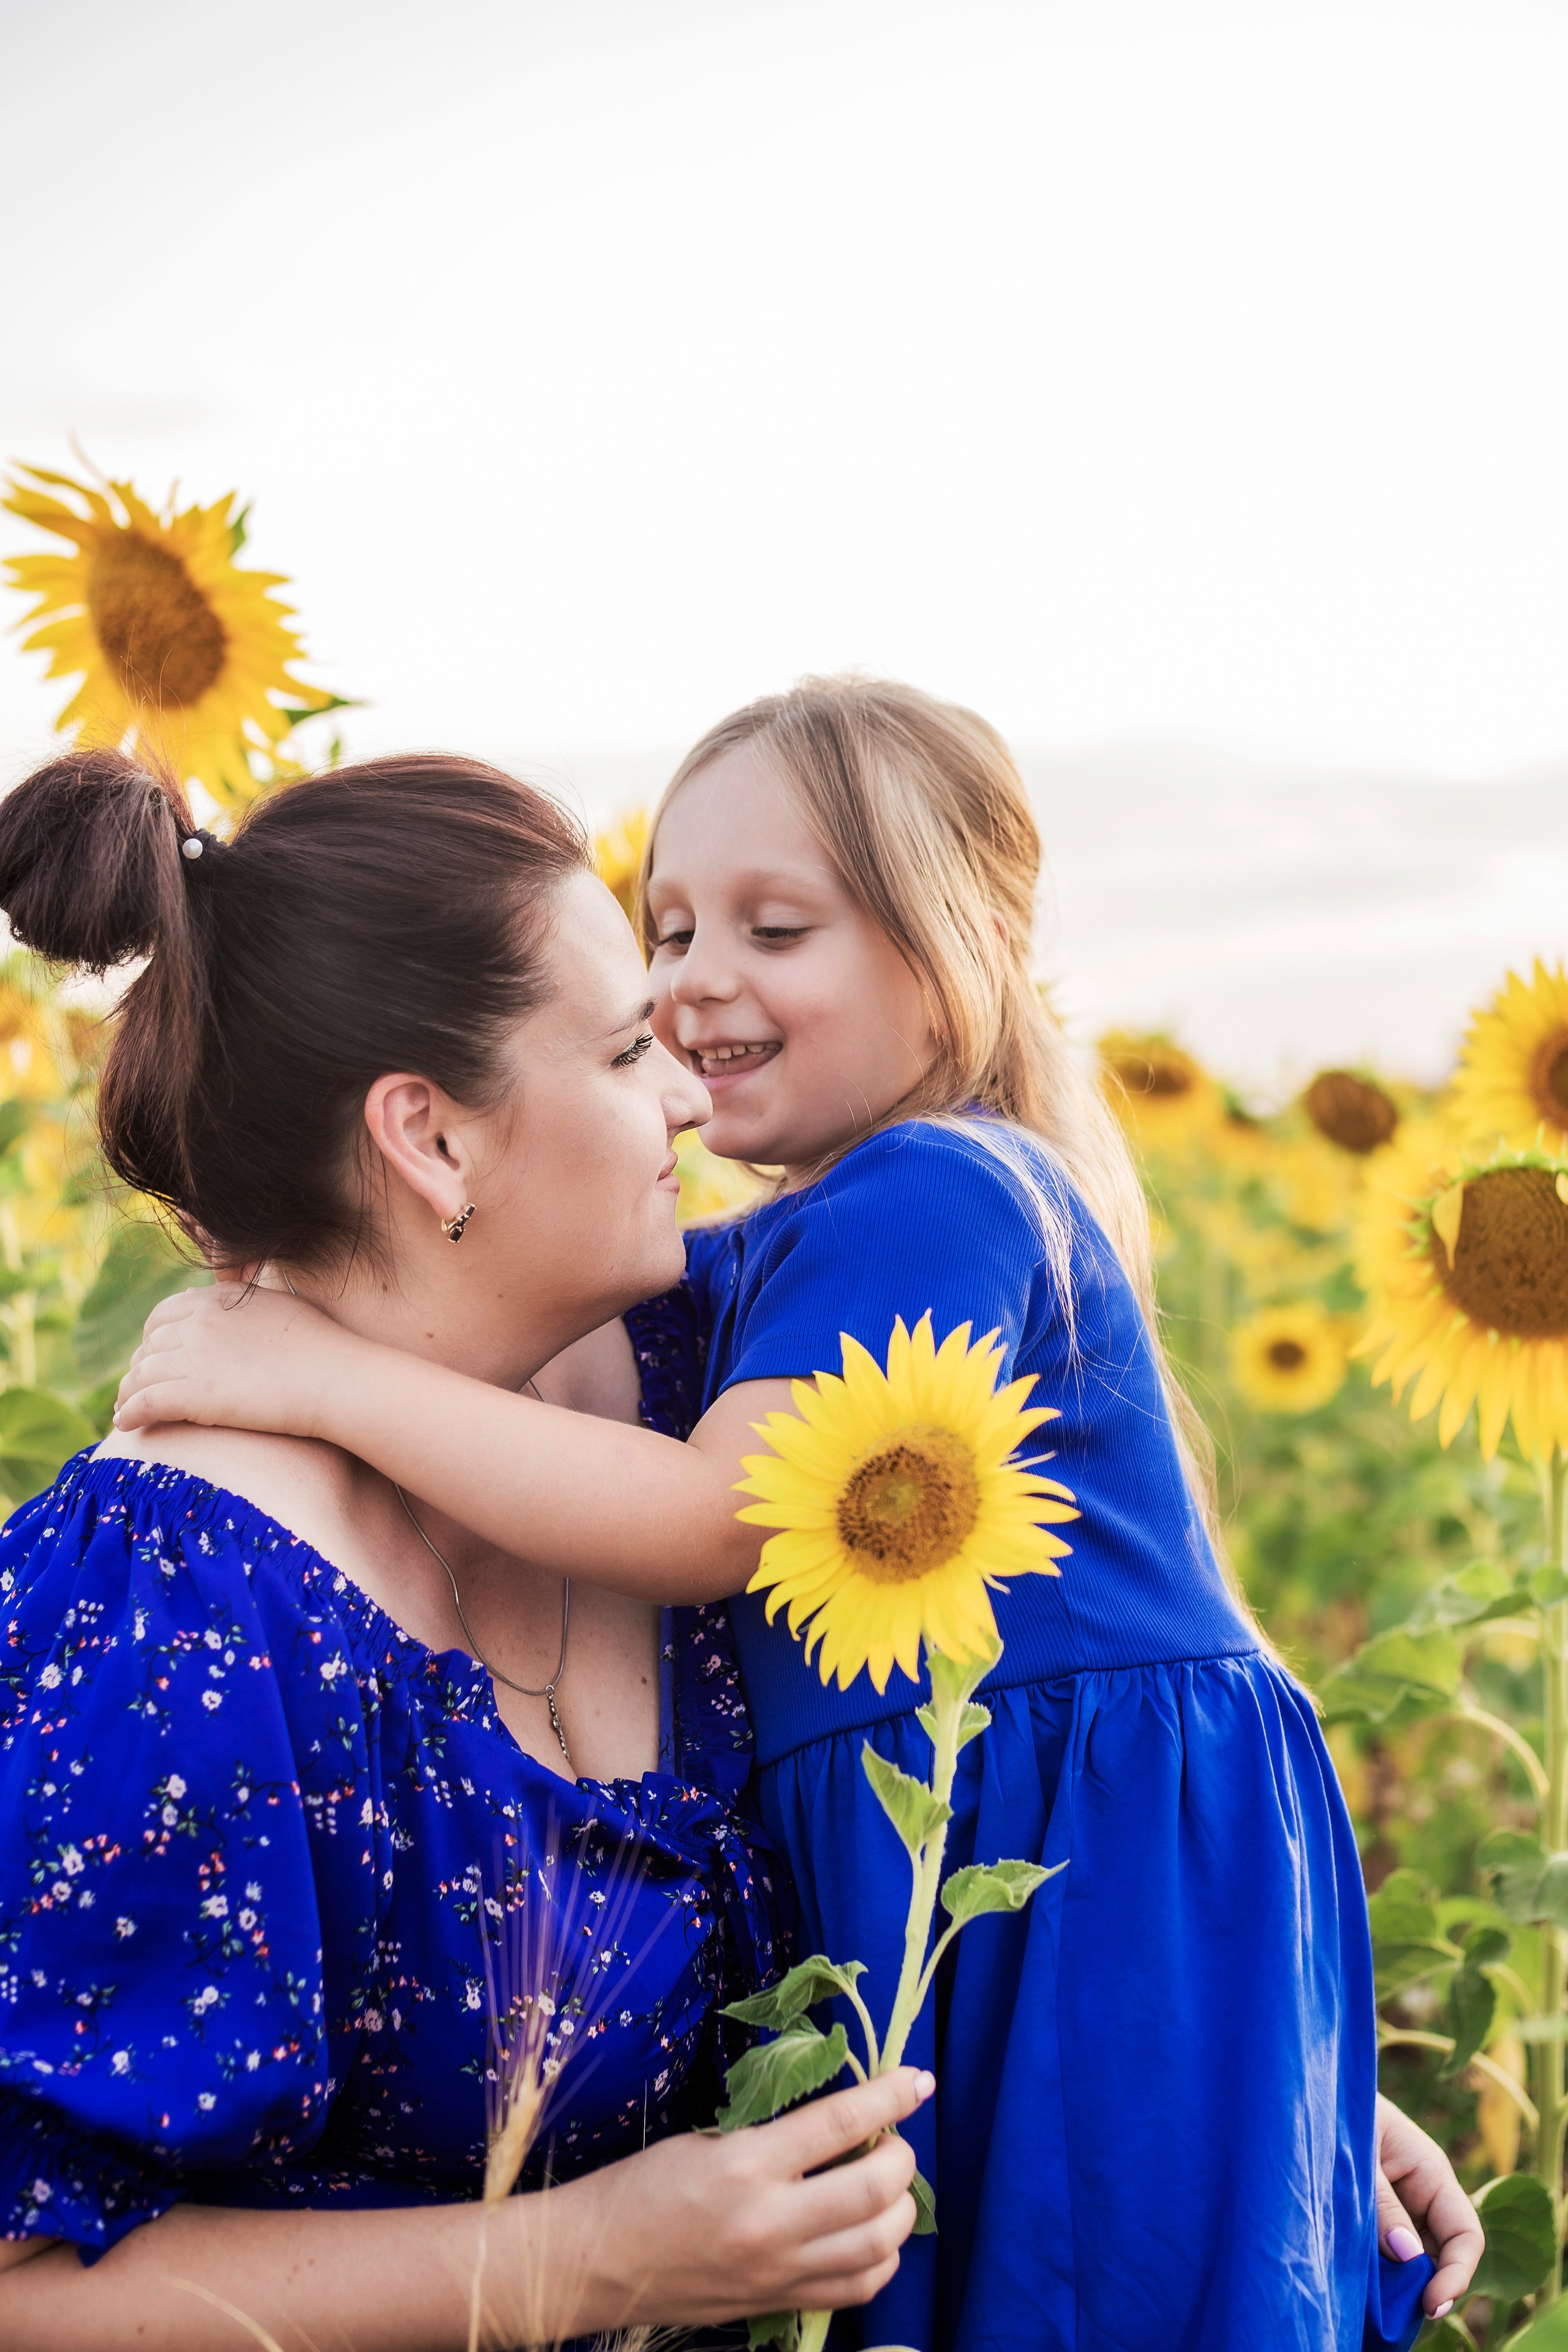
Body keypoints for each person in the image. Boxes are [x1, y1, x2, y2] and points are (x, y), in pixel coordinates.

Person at [118, 681, 1483, 2351]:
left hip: (1074, 1889)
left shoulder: (943, 1186)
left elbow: (707, 1518)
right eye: (667, 934)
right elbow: (479, 1300)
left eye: (778, 928)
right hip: (988, 1916)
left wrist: (311, 1379)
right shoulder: (771, 1262)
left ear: (952, 949)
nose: (697, 987)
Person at [0, 745, 932, 2350]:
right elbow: (25, 2291)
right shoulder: (193, 1606)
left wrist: (1237, 2057)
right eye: (633, 1048)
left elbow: (1030, 1729)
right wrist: (581, 2265)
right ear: (432, 1140)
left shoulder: (707, 1376)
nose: (691, 1097)